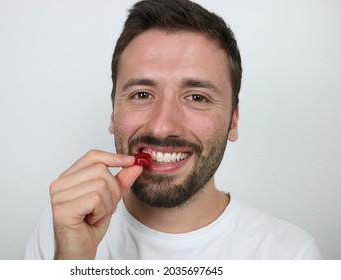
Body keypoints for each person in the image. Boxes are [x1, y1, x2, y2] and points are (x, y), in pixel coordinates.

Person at [25, 0, 322, 259]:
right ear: (114, 113)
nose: (162, 126)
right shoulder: (63, 230)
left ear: (233, 120)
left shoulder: (292, 257)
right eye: (142, 94)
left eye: (197, 97)